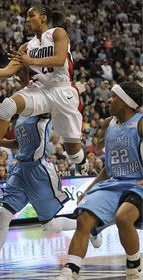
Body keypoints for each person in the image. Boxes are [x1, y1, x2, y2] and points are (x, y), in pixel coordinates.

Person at [0, 114, 101, 280]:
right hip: (21, 170)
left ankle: (90, 227)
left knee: (49, 225)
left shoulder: (42, 105)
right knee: (2, 216)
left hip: (40, 171)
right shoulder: (22, 116)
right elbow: (18, 143)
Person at [0, 5, 88, 177]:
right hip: (40, 90)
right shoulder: (26, 47)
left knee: (72, 150)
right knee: (8, 105)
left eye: (31, 16)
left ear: (43, 18)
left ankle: (81, 163)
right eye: (26, 17)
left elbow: (59, 60)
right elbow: (8, 71)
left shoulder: (58, 33)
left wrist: (30, 61)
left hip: (63, 91)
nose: (27, 20)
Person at [54, 81, 143, 280]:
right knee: (83, 218)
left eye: (114, 97)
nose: (109, 100)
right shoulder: (108, 124)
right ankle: (70, 271)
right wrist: (89, 188)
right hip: (114, 183)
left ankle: (134, 267)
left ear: (127, 102)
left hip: (138, 183)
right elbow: (108, 167)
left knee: (123, 218)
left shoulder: (141, 122)